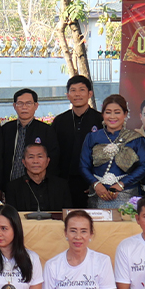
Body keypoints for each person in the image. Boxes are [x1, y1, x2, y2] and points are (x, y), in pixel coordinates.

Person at [80, 94, 145, 210]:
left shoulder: (136, 139)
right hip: (98, 194)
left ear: (125, 114)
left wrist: (121, 184)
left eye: (117, 112)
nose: (112, 117)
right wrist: (96, 184)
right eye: (108, 112)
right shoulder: (92, 137)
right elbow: (83, 166)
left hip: (126, 193)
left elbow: (144, 166)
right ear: (102, 114)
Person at [50, 75, 103, 208]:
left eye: (81, 90)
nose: (77, 94)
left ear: (90, 94)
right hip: (64, 182)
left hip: (93, 182)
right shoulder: (60, 121)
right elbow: (53, 153)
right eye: (73, 90)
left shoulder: (100, 120)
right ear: (68, 95)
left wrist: (96, 181)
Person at [1, 88, 59, 188]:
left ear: (36, 106)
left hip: (38, 186)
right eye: (20, 103)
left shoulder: (46, 130)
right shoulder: (6, 129)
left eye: (28, 103)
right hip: (10, 185)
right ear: (14, 106)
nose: (24, 107)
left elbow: (53, 159)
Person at [6, 143, 71, 212]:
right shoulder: (13, 187)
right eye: (31, 157)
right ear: (24, 162)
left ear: (47, 161)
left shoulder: (61, 185)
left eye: (40, 157)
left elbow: (68, 214)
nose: (35, 161)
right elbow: (12, 216)